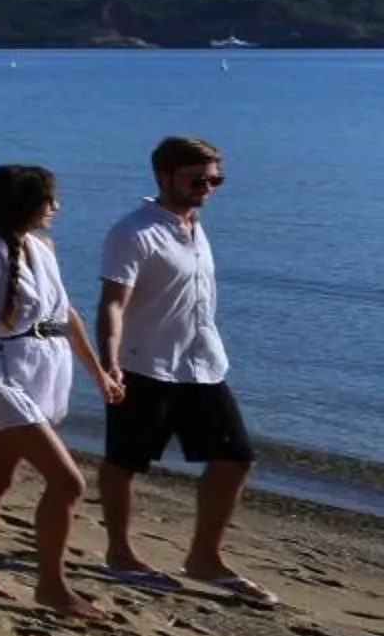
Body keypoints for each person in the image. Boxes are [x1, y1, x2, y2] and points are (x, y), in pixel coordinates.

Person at [92, 135, 274, 606]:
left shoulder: (193, 226)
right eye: (198, 179)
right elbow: (113, 301)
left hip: (203, 364)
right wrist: (107, 360)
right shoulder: (134, 232)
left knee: (236, 457)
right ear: (163, 175)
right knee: (125, 462)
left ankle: (204, 558)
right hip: (143, 364)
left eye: (216, 180)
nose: (208, 187)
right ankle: (121, 553)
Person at [0, 163, 122, 619]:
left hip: (42, 367)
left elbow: (65, 313)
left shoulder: (44, 247)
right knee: (68, 482)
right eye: (48, 199)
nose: (55, 207)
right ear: (24, 204)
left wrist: (98, 372)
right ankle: (52, 587)